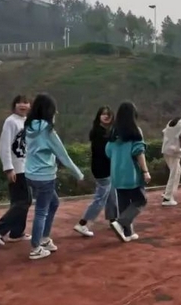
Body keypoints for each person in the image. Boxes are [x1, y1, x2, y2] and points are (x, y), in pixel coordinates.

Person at [24, 93, 84, 260]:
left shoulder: (28, 126)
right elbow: (63, 155)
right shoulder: (47, 131)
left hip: (30, 174)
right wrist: (78, 174)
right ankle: (36, 247)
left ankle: (44, 238)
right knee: (41, 211)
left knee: (53, 203)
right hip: (44, 177)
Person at [0, 95, 32, 246]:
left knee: (18, 201)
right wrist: (8, 168)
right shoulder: (11, 121)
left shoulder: (27, 122)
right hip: (17, 168)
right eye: (20, 103)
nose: (23, 105)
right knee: (24, 201)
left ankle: (16, 232)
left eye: (26, 102)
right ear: (14, 105)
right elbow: (4, 146)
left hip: (26, 167)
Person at [106, 102, 150, 240]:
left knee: (123, 203)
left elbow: (108, 152)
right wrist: (145, 171)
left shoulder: (113, 133)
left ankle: (127, 233)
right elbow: (139, 152)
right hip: (131, 173)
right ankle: (120, 223)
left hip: (116, 174)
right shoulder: (135, 131)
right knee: (140, 200)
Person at [73, 106, 118, 237]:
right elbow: (104, 153)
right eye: (103, 114)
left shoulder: (108, 131)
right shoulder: (99, 133)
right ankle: (83, 223)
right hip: (102, 169)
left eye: (108, 114)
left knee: (112, 193)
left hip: (107, 168)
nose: (106, 116)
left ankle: (114, 220)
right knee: (100, 198)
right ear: (99, 116)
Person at [161, 112, 181, 206]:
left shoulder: (171, 122)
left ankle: (168, 192)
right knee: (174, 173)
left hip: (166, 149)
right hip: (174, 151)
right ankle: (167, 197)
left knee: (176, 171)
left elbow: (163, 132)